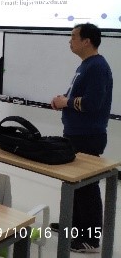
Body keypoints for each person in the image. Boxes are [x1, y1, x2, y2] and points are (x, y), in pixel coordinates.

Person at [50, 23, 112, 253]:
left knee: (87, 188)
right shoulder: (86, 65)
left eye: (74, 36)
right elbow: (77, 97)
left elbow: (92, 103)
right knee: (74, 184)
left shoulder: (97, 66)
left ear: (87, 41)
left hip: (88, 136)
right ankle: (73, 227)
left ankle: (91, 240)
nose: (70, 40)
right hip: (76, 133)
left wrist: (66, 102)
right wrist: (62, 100)